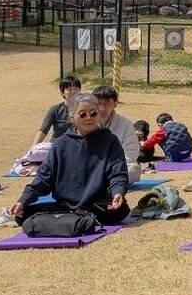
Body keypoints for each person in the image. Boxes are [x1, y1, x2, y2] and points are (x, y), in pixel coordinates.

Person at [10, 93, 129, 227]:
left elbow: (118, 173)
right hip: (64, 205)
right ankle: (78, 219)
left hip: (96, 204)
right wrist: (23, 201)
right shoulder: (61, 144)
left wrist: (117, 193)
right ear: (72, 116)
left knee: (120, 209)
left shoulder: (110, 141)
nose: (88, 118)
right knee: (22, 215)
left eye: (93, 114)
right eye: (83, 114)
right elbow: (43, 178)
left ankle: (70, 219)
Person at [93, 85, 142, 184]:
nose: (102, 108)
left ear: (115, 104)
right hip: (91, 167)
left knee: (134, 169)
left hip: (115, 168)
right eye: (99, 103)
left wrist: (113, 167)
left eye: (107, 104)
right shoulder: (86, 122)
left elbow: (130, 153)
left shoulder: (126, 124)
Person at [32, 76, 81, 147]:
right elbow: (43, 130)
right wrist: (33, 150)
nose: (73, 92)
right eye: (69, 89)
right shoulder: (55, 109)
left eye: (76, 89)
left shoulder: (86, 109)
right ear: (62, 93)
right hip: (57, 146)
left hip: (77, 145)